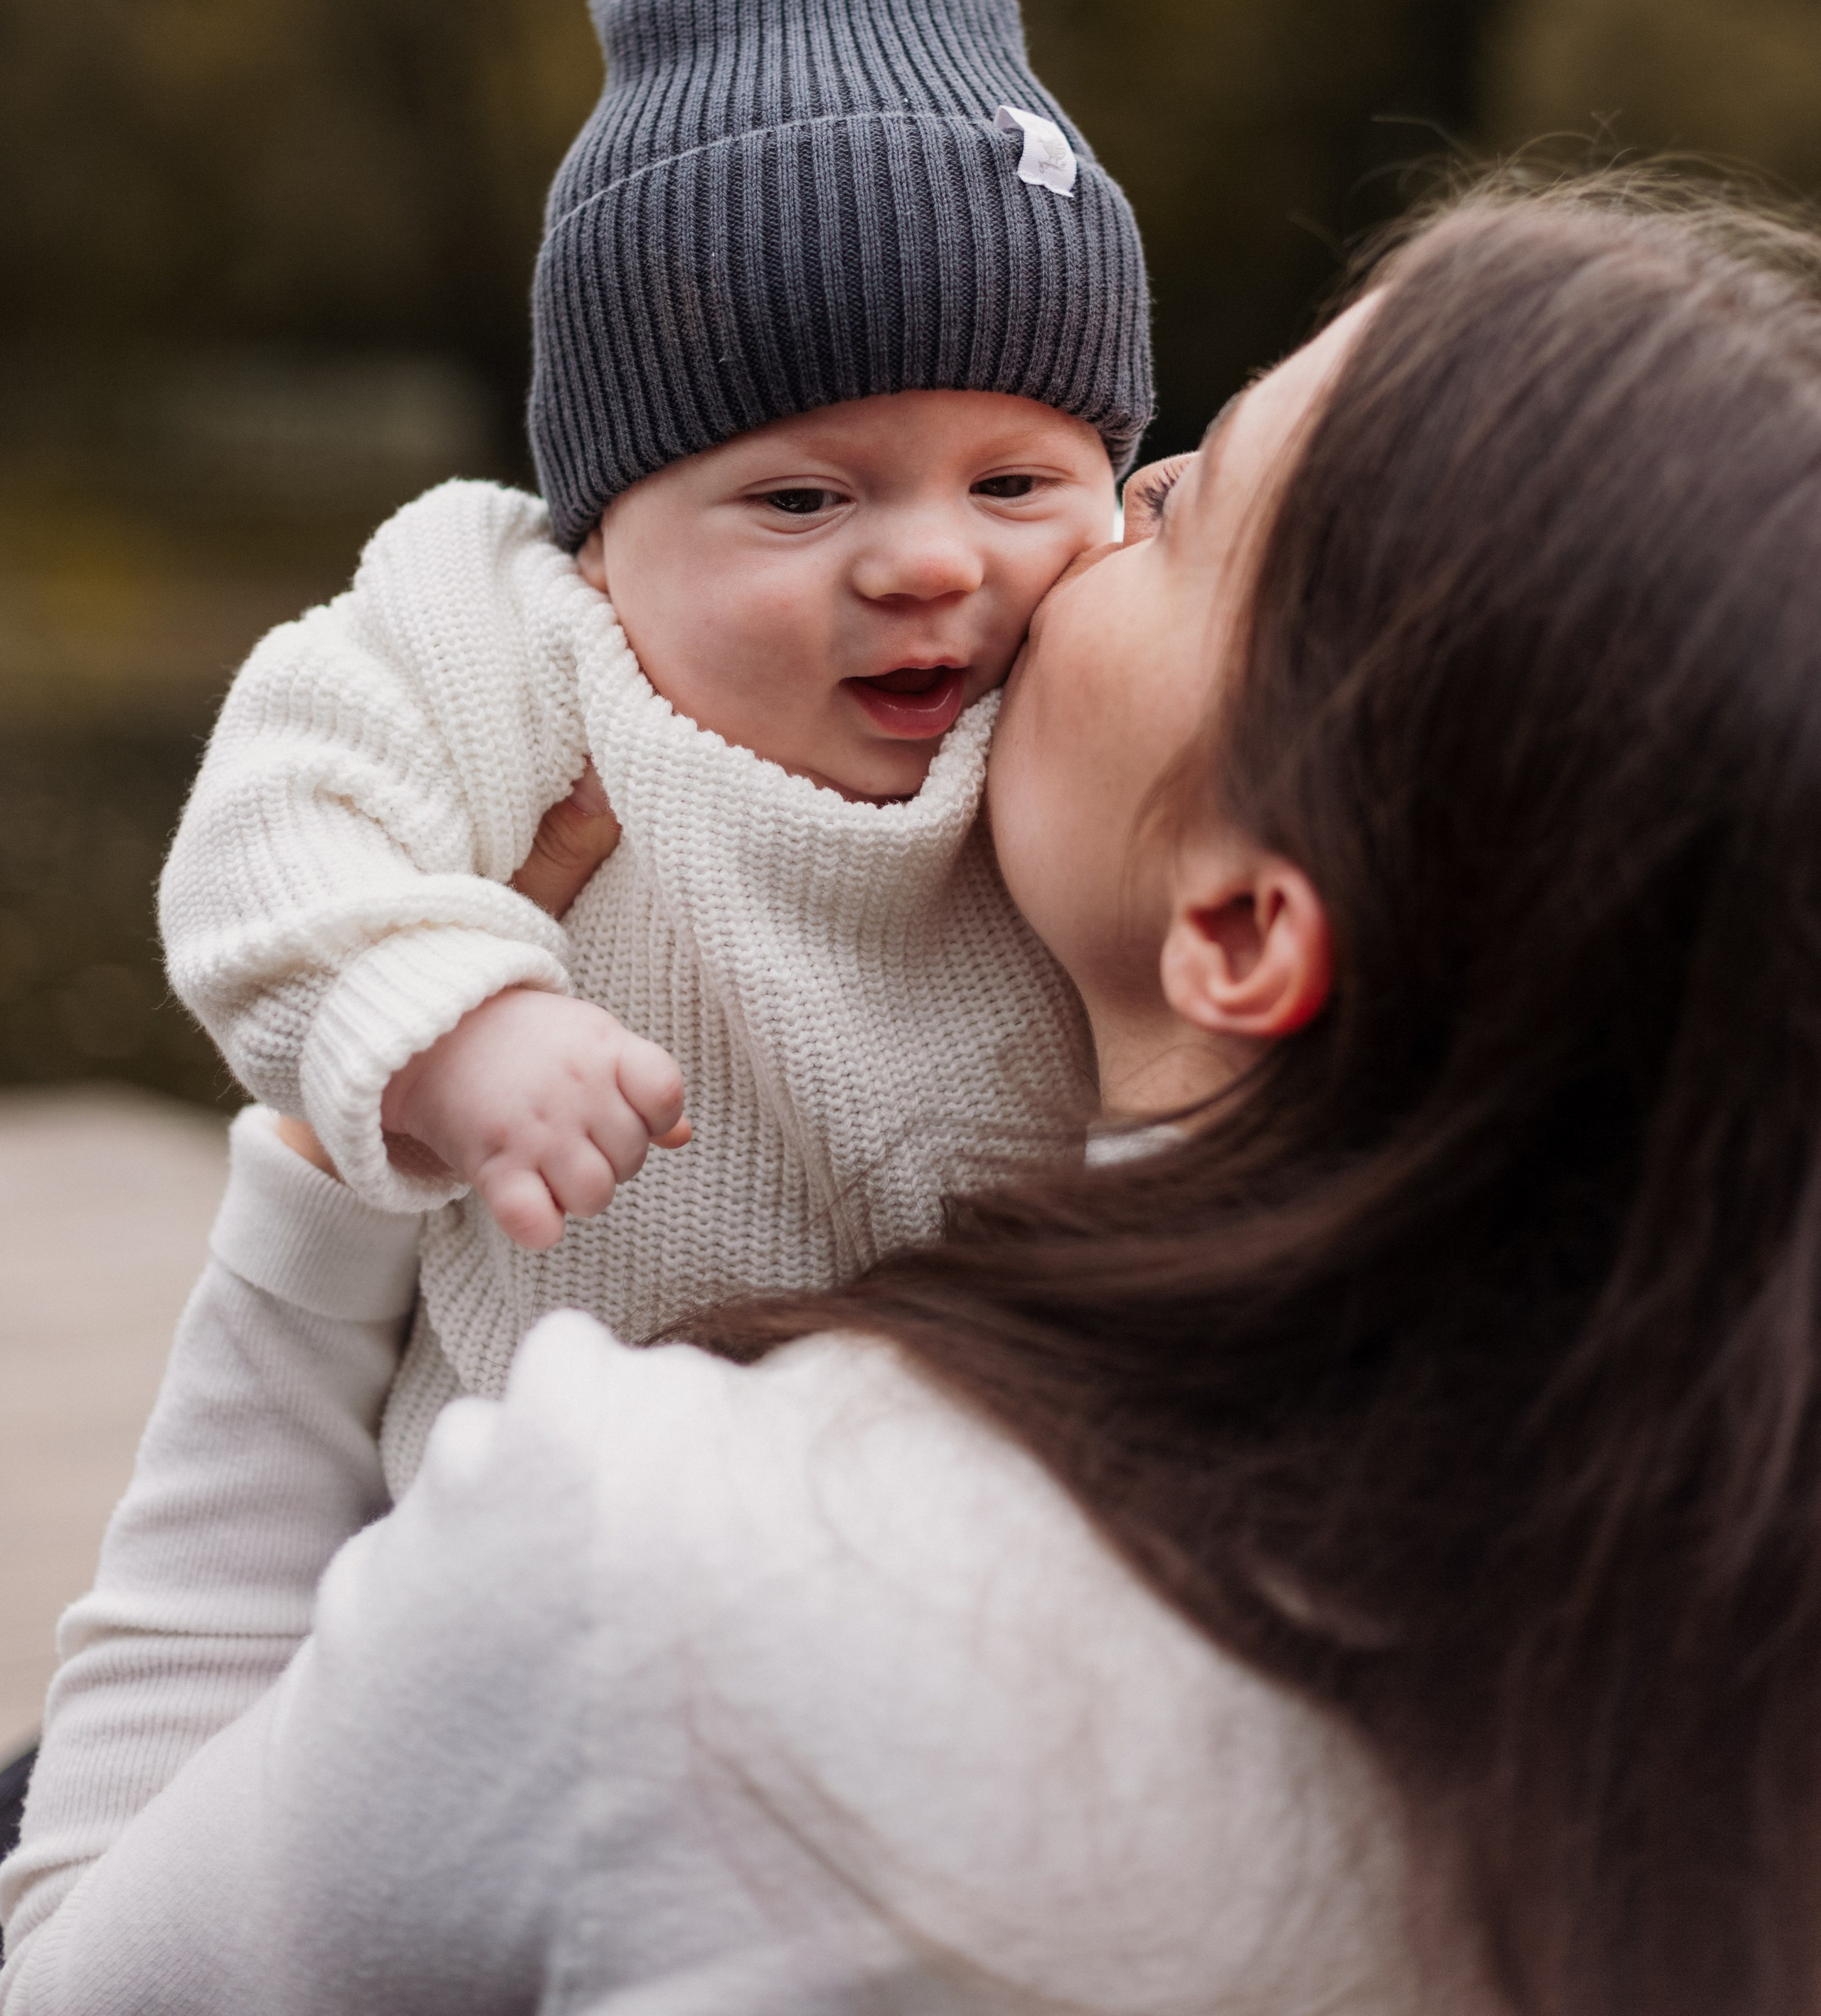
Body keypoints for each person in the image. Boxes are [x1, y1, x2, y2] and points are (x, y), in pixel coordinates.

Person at [9, 181, 1821, 2016]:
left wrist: (327, 1181)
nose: (1076, 536)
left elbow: (81, 1970)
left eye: (1176, 510)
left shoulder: (655, 1563)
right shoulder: (1718, 1629)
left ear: (1239, 928)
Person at [156, 0, 1152, 1490]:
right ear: (603, 537)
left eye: (1013, 485)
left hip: (972, 1530)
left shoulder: (1107, 675)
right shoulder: (513, 648)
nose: (931, 563)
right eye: (800, 499)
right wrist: (453, 1024)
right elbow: (267, 841)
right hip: (522, 1551)